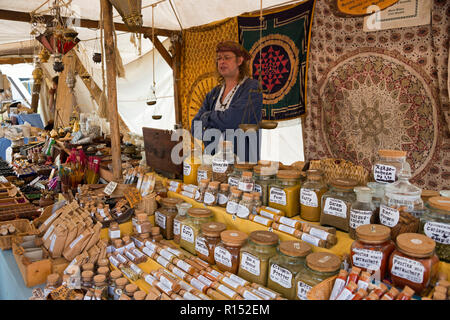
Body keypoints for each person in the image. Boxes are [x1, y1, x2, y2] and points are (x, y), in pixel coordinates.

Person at [191, 41, 263, 163]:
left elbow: (233, 120)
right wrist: (217, 124)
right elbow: (196, 129)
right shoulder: (213, 94)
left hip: (242, 163)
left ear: (239, 61)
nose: (222, 62)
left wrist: (207, 117)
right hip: (214, 163)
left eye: (227, 58)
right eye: (219, 58)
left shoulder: (252, 88)